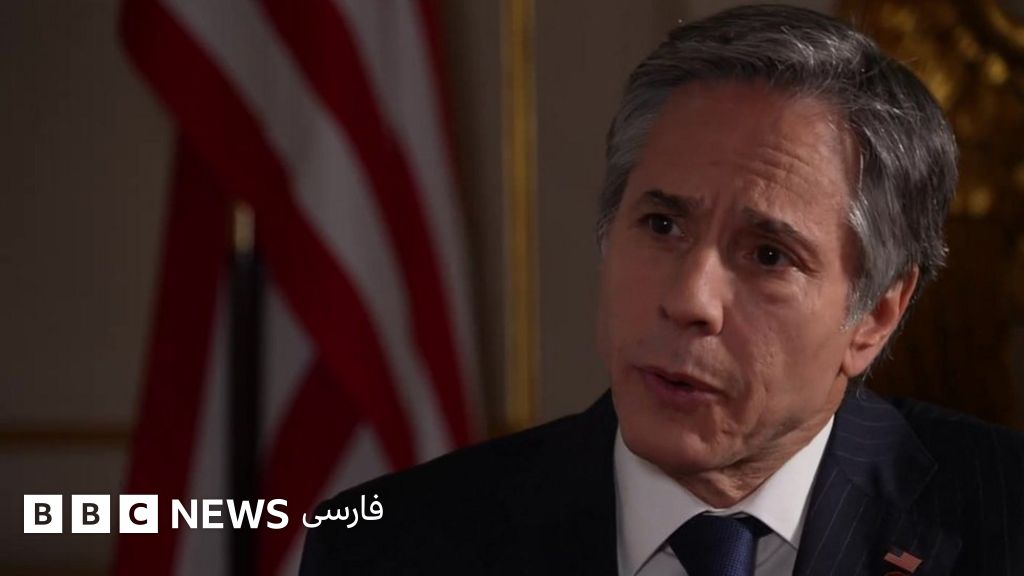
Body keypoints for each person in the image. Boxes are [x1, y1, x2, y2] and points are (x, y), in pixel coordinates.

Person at [299, 5, 1024, 575]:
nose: (690, 300)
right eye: (663, 225)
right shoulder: (391, 546)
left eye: (769, 255)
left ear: (876, 316)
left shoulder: (1005, 522)